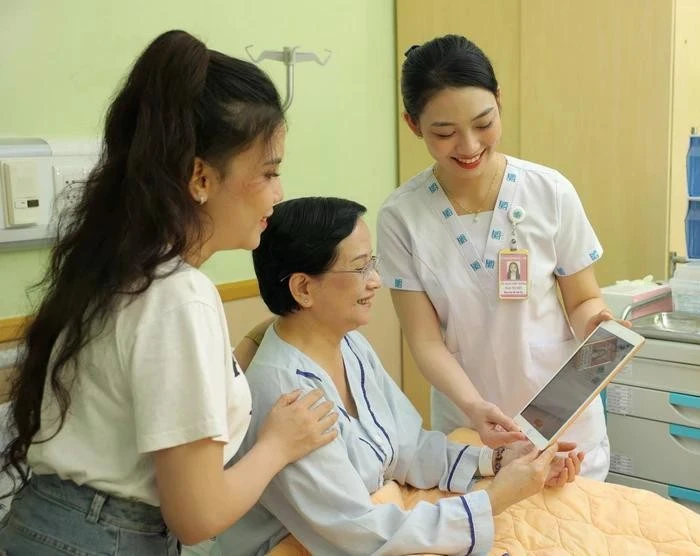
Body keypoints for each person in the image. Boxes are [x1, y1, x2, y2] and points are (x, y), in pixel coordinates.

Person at [0, 30, 337, 554]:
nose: (279, 193)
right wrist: (278, 445)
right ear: (200, 177)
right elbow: (197, 516)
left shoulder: (112, 269)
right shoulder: (182, 295)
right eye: (269, 172)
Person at [217, 197, 583, 556]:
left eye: (372, 263)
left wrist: (499, 461)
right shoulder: (285, 395)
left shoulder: (351, 348)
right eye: (360, 267)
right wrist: (496, 497)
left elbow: (408, 446)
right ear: (303, 289)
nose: (376, 280)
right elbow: (356, 532)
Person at [377, 34, 625, 480]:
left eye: (483, 122)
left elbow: (583, 300)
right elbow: (425, 341)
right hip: (473, 433)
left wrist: (598, 324)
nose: (469, 145)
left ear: (499, 101)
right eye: (444, 132)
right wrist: (474, 408)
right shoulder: (402, 217)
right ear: (412, 125)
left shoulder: (549, 192)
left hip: (563, 419)